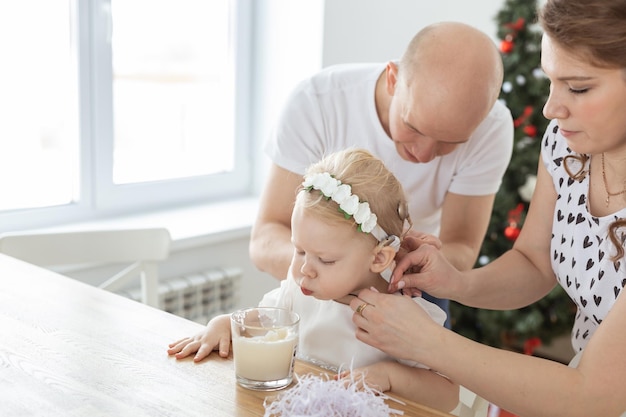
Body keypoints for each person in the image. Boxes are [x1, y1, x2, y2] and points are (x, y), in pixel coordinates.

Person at [349, 0, 626, 415]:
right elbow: (534, 263)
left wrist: (426, 341)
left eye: (579, 88)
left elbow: (595, 395)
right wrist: (458, 283)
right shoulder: (567, 146)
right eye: (550, 80)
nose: (552, 108)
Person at [249, 21, 515, 322]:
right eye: (413, 127)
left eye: (450, 143)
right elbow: (265, 239)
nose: (424, 155)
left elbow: (462, 248)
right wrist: (331, 267)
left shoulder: (492, 128)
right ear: (393, 79)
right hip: (312, 292)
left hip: (411, 292)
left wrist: (400, 266)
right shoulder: (318, 102)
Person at [168, 149, 460, 413]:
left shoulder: (405, 317)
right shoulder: (299, 294)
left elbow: (448, 395)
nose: (305, 269)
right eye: (300, 250)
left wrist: (390, 376)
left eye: (326, 260)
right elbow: (258, 322)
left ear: (379, 259)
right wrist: (224, 324)